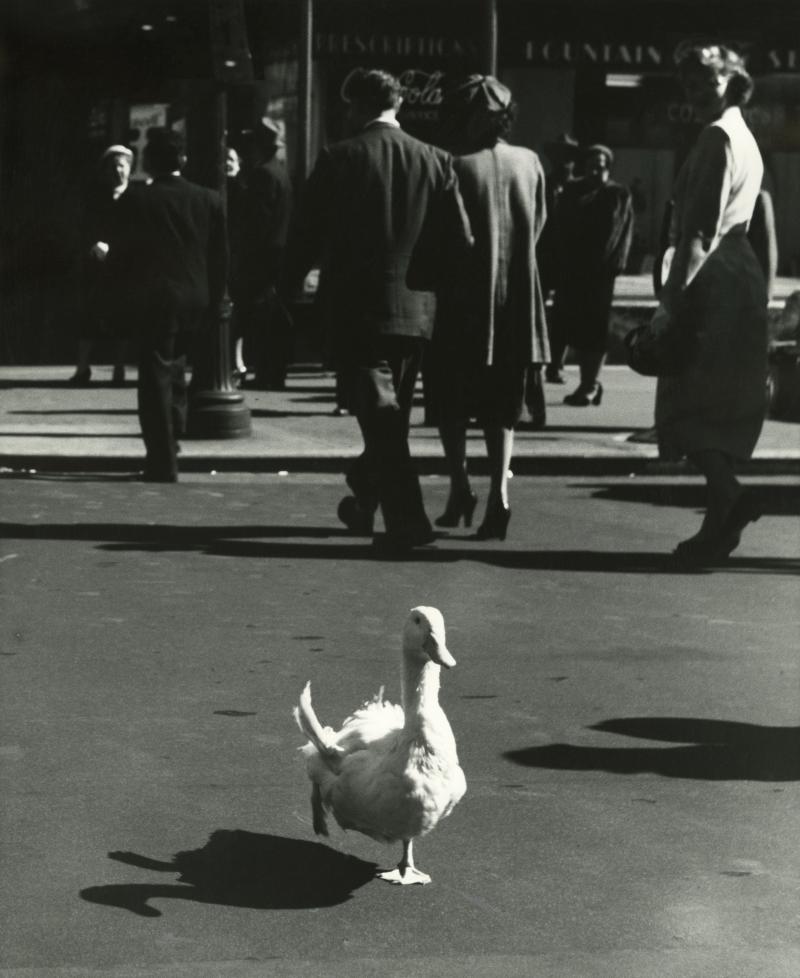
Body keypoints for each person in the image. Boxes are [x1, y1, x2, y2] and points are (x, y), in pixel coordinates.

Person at [283, 68, 472, 551]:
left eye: (349, 107)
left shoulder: (340, 158)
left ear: (359, 106)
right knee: (391, 417)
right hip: (416, 311)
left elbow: (305, 233)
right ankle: (366, 497)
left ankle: (408, 523)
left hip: (356, 308)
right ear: (398, 106)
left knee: (383, 419)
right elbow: (461, 241)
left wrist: (285, 287)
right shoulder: (437, 161)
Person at [655, 45, 768, 564]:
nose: (695, 91)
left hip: (712, 279)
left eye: (706, 80)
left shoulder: (718, 137)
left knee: (685, 403)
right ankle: (720, 519)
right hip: (738, 273)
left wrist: (669, 305)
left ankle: (728, 497)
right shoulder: (744, 135)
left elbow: (699, 229)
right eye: (688, 83)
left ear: (731, 80)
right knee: (714, 404)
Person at [431, 75, 548, 541]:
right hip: (516, 301)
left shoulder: (454, 165)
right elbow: (538, 224)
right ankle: (499, 492)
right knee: (503, 407)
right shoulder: (530, 162)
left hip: (463, 304)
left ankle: (460, 485)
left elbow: (448, 239)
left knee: (450, 401)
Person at [115, 127, 227, 482]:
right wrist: (219, 297)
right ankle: (174, 435)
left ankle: (162, 459)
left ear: (149, 161)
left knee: (154, 378)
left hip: (155, 298)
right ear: (183, 159)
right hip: (197, 297)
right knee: (177, 369)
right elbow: (220, 257)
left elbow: (125, 255)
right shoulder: (209, 200)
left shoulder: (135, 201)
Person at [554, 144, 633, 406]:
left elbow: (612, 236)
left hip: (597, 275)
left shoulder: (616, 194)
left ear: (608, 168)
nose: (595, 169)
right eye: (591, 164)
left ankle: (589, 385)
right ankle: (577, 379)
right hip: (570, 272)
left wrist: (597, 266)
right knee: (568, 326)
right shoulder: (573, 190)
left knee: (593, 332)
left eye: (601, 164)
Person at [230, 119, 292, 390]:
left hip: (261, 258)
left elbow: (256, 221)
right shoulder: (279, 172)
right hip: (275, 255)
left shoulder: (263, 175)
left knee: (260, 319)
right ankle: (271, 372)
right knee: (269, 320)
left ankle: (268, 373)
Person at [70, 144, 133, 387]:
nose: (119, 170)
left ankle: (119, 368)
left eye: (123, 165)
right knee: (89, 315)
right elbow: (85, 226)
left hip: (124, 266)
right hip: (97, 264)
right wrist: (94, 244)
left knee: (122, 318)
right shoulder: (96, 197)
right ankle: (82, 367)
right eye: (114, 165)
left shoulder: (136, 196)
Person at [537, 133, 581, 385]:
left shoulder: (579, 189)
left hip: (569, 261)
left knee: (564, 315)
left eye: (568, 158)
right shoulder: (542, 183)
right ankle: (537, 363)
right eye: (558, 157)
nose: (563, 163)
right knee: (539, 311)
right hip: (544, 257)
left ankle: (555, 365)